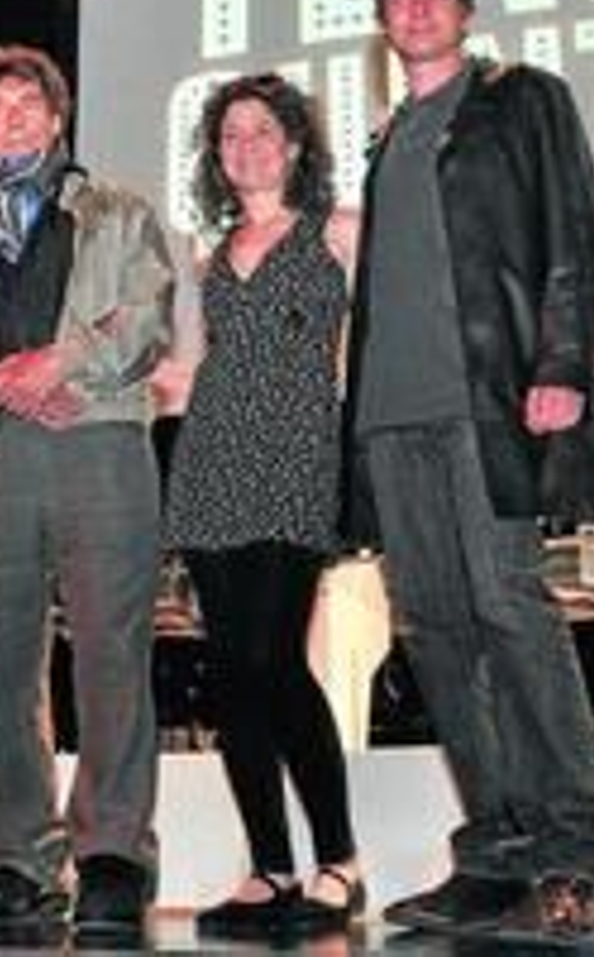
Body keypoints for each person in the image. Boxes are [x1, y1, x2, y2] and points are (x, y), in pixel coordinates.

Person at [344, 0, 594, 945]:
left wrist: (560, 364)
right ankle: (496, 852)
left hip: (486, 402)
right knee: (432, 625)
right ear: (383, 21)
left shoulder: (521, 99)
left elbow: (575, 237)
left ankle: (570, 853)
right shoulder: (389, 138)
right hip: (391, 415)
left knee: (510, 606)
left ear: (463, 12)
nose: (416, 8)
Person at [0, 44, 176, 941]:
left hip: (98, 435)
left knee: (110, 653)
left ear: (56, 118)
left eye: (29, 104)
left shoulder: (120, 211)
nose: (12, 119)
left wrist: (61, 362)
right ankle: (24, 859)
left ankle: (112, 855)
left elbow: (145, 318)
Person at [160, 72, 364, 939]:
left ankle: (341, 864)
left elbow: (368, 348)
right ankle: (271, 869)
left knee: (275, 658)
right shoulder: (209, 254)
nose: (245, 145)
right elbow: (195, 367)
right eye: (230, 134)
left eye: (262, 130)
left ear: (293, 142)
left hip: (294, 460)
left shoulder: (341, 232)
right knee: (231, 672)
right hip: (210, 463)